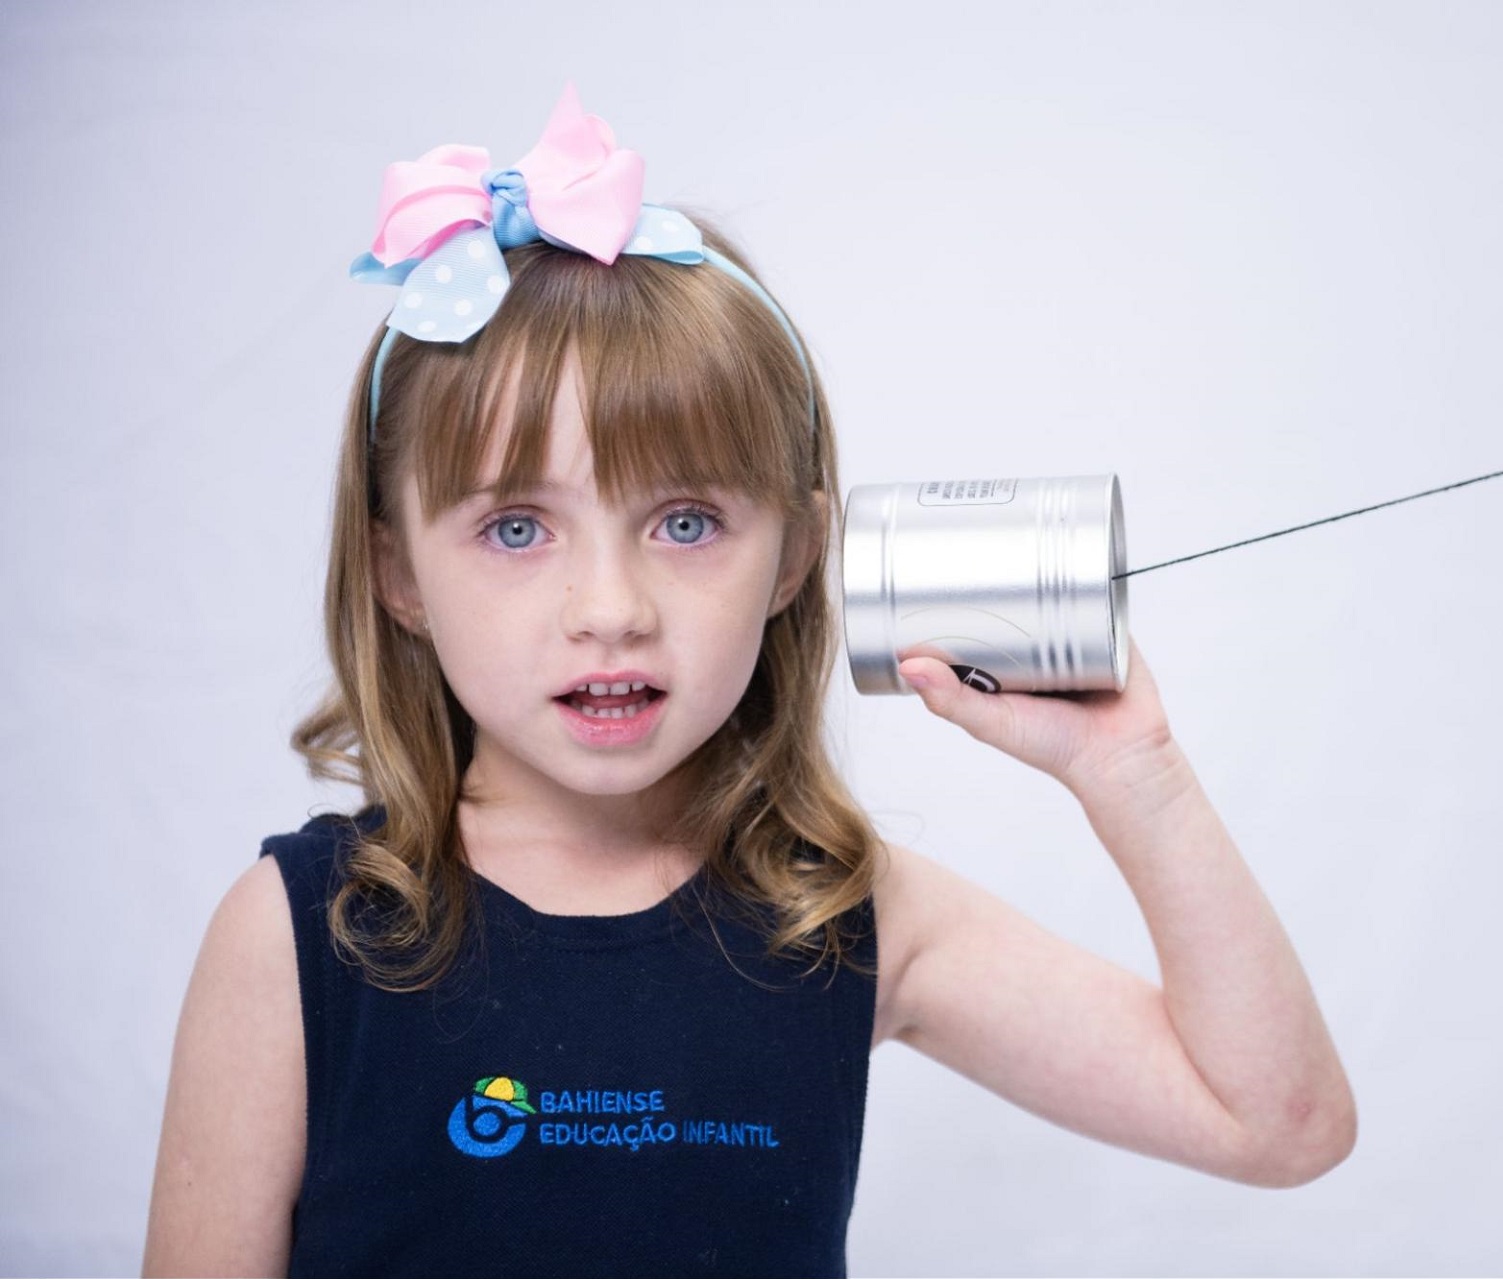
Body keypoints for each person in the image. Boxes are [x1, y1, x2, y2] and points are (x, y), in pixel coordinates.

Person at [142, 86, 1355, 1278]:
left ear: (797, 557)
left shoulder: (849, 914)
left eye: (685, 522)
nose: (610, 609)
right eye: (517, 528)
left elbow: (1278, 1125)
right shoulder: (301, 934)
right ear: (400, 573)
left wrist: (1130, 770)